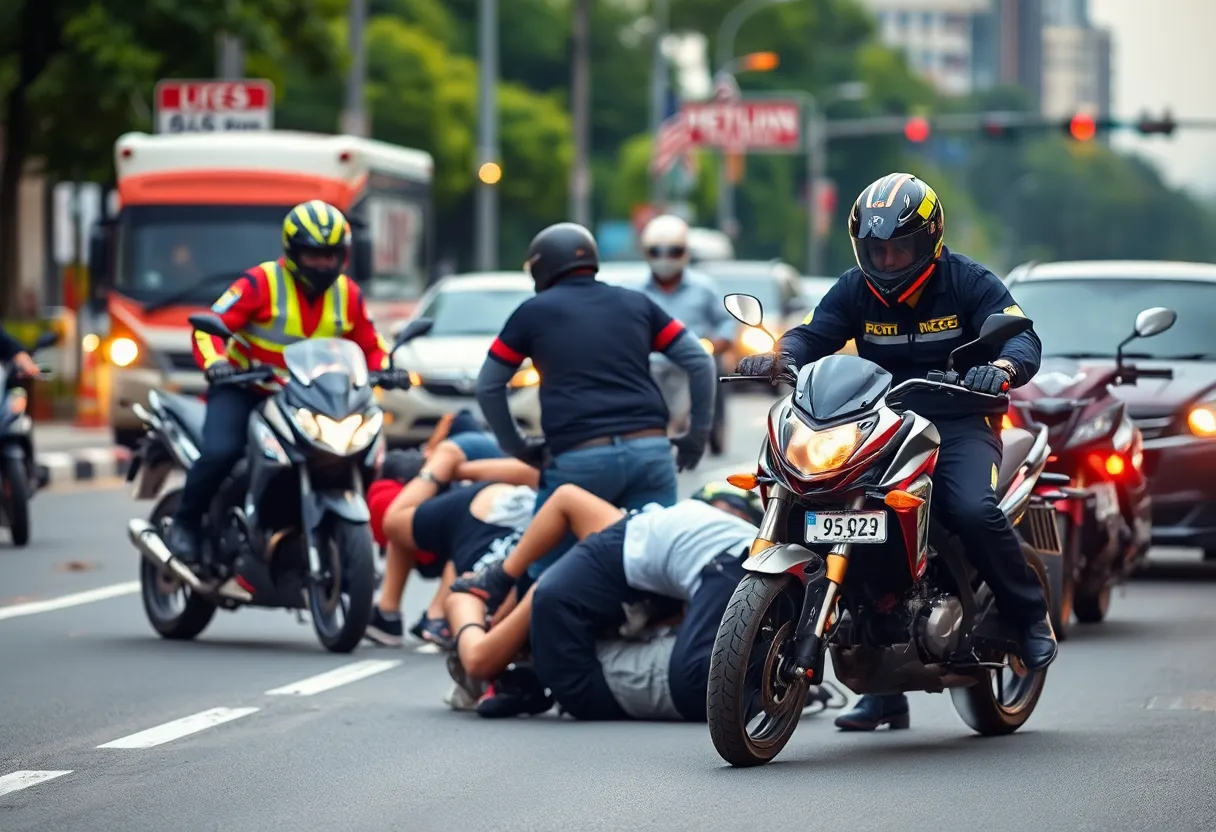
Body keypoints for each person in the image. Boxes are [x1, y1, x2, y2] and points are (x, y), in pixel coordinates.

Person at [736, 172, 1057, 733]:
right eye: (875, 249)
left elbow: (1021, 337)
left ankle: (1030, 617)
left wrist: (1002, 367)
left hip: (959, 421)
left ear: (929, 241)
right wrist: (781, 356)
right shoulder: (853, 288)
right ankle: (882, 691)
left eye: (898, 248)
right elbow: (812, 334)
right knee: (831, 503)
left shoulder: (968, 281)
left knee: (970, 509)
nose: (886, 261)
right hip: (877, 422)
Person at [163, 199, 411, 564]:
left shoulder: (348, 294)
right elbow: (209, 328)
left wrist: (388, 369)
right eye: (314, 255)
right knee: (222, 452)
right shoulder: (260, 282)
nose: (323, 264)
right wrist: (217, 364)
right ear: (292, 252)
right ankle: (185, 523)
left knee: (358, 452)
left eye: (331, 255)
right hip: (246, 389)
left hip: (309, 397)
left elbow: (371, 345)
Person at [475, 222, 715, 581]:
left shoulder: (532, 312)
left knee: (543, 573)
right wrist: (698, 433)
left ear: (541, 267)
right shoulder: (636, 303)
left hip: (580, 461)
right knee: (654, 567)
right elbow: (700, 360)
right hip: (650, 454)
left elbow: (488, 385)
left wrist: (519, 448)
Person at [364, 440, 534, 648]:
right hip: (500, 502)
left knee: (398, 520)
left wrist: (451, 469)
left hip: (497, 502)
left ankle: (412, 613)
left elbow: (478, 656)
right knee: (399, 520)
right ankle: (409, 612)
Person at [637, 215, 736, 434]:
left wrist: (715, 344)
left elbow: (725, 323)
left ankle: (703, 427)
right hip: (647, 366)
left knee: (710, 369)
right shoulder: (636, 292)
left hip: (691, 364)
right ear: (646, 253)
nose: (665, 259)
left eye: (673, 252)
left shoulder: (704, 287)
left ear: (685, 252)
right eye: (656, 252)